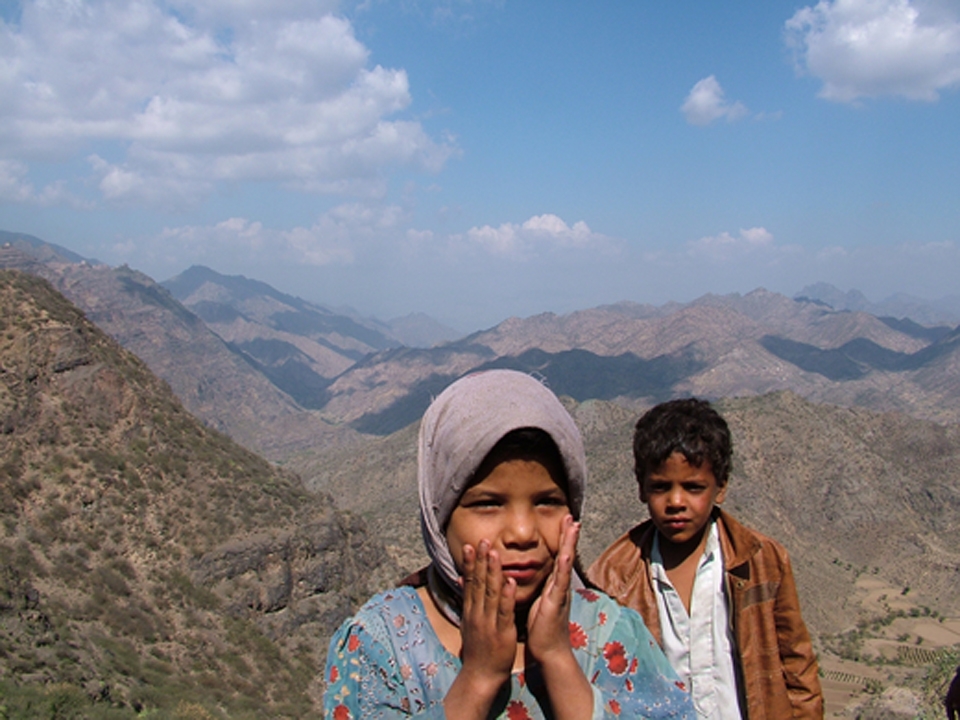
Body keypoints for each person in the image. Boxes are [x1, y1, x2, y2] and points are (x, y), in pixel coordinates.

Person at [324, 370, 693, 719]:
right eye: (488, 504)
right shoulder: (382, 643)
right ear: (440, 515)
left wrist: (558, 658)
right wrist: (479, 677)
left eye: (548, 501)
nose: (522, 533)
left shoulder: (610, 632)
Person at [587, 398, 822, 719]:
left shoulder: (762, 563)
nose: (676, 501)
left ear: (720, 487)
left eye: (694, 487)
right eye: (660, 487)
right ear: (641, 487)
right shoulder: (612, 578)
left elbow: (797, 667)